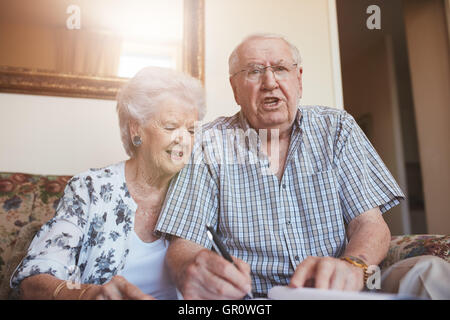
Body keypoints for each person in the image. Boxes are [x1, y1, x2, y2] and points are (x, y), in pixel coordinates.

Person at [155, 33, 405, 299]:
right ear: (235, 88)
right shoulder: (208, 142)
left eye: (281, 69)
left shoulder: (337, 128)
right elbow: (184, 243)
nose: (270, 82)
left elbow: (369, 224)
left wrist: (353, 266)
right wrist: (191, 269)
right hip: (254, 299)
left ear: (299, 79)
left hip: (342, 291)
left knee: (430, 272)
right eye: (254, 71)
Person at [10, 66, 206, 300]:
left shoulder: (202, 190)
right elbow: (33, 280)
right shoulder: (89, 188)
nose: (184, 140)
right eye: (171, 126)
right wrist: (90, 295)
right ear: (136, 130)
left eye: (192, 130)